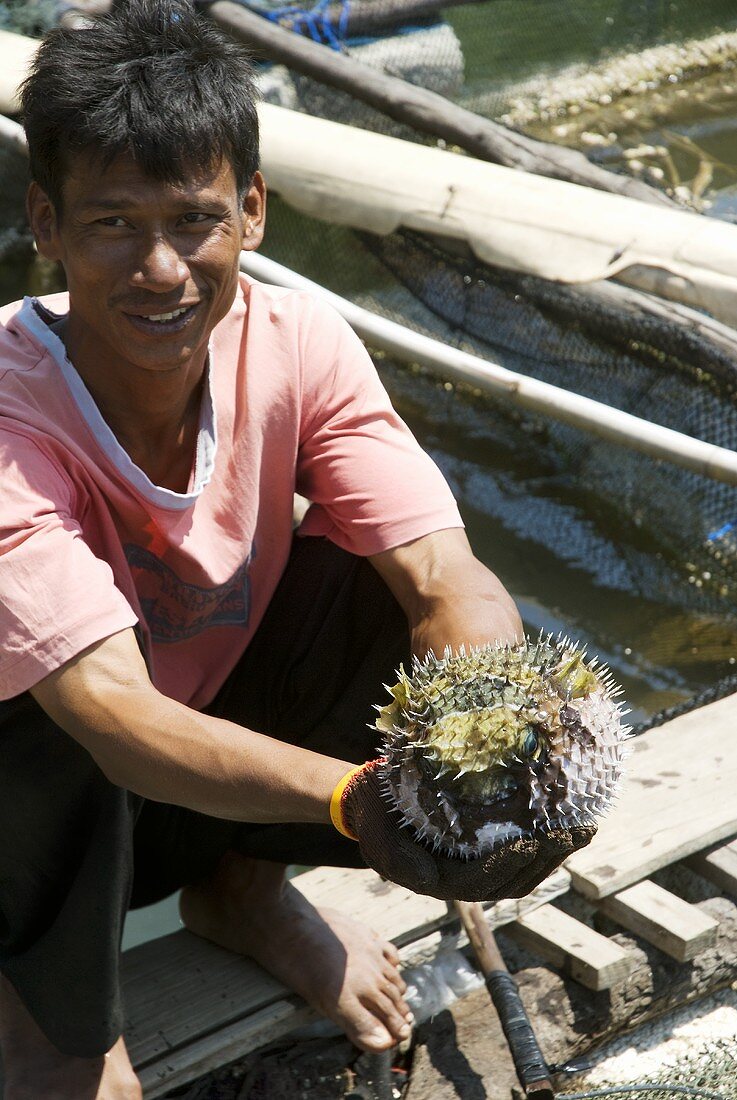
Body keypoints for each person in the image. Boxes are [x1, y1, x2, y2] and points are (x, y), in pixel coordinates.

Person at [0, 2, 594, 1097]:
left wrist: (492, 740)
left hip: (189, 777)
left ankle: (241, 884)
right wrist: (355, 801)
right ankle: (47, 1018)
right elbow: (117, 721)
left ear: (254, 213)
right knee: (38, 701)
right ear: (45, 221)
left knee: (386, 595)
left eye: (193, 220)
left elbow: (444, 575)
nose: (162, 269)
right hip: (42, 808)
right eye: (111, 223)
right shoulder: (7, 416)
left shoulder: (301, 341)